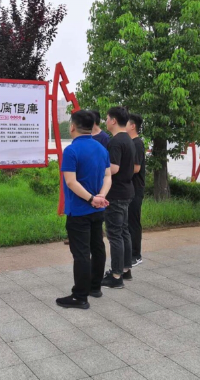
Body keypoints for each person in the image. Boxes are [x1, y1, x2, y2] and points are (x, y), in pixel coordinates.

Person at [56, 110, 112, 309]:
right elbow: (108, 176)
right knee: (97, 247)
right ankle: (95, 287)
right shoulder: (101, 148)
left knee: (81, 253)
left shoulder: (71, 151)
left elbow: (71, 182)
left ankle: (80, 296)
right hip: (97, 210)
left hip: (79, 211)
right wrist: (101, 197)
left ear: (72, 126)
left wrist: (91, 199)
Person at [102, 106, 136, 289]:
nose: (106, 121)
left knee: (115, 234)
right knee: (123, 231)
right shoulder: (129, 139)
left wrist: (99, 170)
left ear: (114, 120)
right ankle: (125, 269)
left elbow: (114, 168)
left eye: (107, 118)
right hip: (127, 191)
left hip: (115, 193)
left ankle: (116, 277)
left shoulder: (115, 141)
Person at [126, 113, 146, 267]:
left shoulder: (137, 143)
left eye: (126, 123)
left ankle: (136, 255)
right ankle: (129, 252)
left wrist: (119, 172)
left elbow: (136, 168)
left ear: (133, 126)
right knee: (127, 222)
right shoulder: (130, 142)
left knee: (133, 222)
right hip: (129, 188)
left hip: (135, 188)